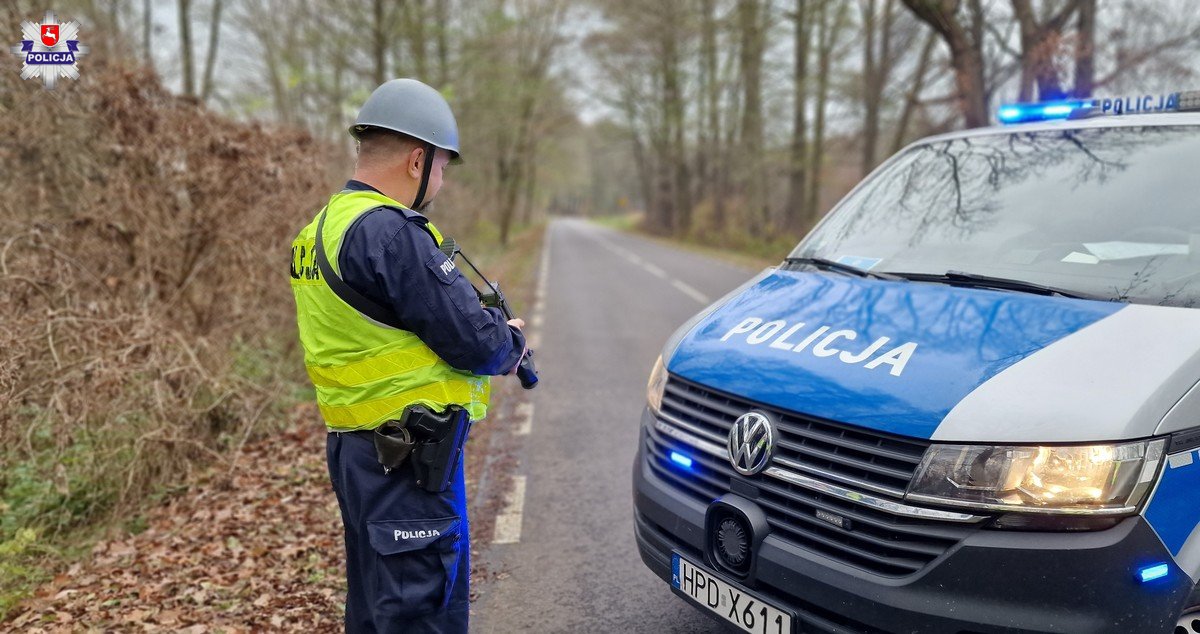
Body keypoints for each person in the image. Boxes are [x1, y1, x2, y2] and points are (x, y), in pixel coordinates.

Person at [289, 78, 526, 633]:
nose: (440, 182)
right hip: (409, 461)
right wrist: (510, 339)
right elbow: (478, 342)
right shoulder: (391, 234)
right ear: (418, 160)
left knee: (376, 608)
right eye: (443, 166)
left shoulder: (320, 229)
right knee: (421, 610)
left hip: (356, 452)